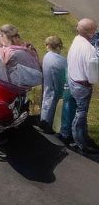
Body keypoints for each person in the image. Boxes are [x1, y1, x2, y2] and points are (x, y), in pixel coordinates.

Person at [65, 18, 99, 153]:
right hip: (82, 86)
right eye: (94, 30)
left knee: (80, 114)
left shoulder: (76, 40)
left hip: (73, 79)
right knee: (80, 115)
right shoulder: (89, 49)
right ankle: (81, 144)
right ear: (90, 33)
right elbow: (92, 77)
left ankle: (84, 138)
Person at [40, 35, 68, 135]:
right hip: (55, 88)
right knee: (53, 105)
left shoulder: (47, 56)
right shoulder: (61, 61)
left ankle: (43, 121)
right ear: (58, 46)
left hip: (48, 84)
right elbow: (62, 79)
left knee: (46, 101)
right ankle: (48, 125)